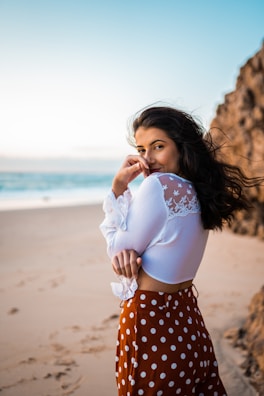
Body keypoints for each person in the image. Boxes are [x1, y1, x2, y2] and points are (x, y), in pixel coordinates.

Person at [100, 105, 257, 396]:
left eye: (158, 146)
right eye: (141, 149)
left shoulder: (159, 185)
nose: (147, 160)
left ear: (181, 147)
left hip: (151, 323)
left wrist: (118, 189)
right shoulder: (201, 190)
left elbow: (118, 249)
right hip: (189, 322)